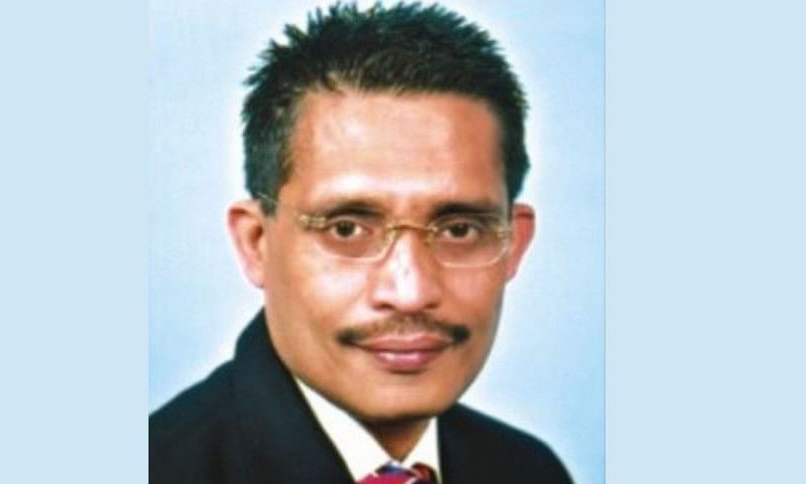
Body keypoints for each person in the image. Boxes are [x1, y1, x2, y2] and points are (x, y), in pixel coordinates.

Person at [150, 3, 573, 483]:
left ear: (513, 244)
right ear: (256, 243)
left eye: (458, 230)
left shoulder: (528, 471)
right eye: (347, 228)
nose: (410, 292)